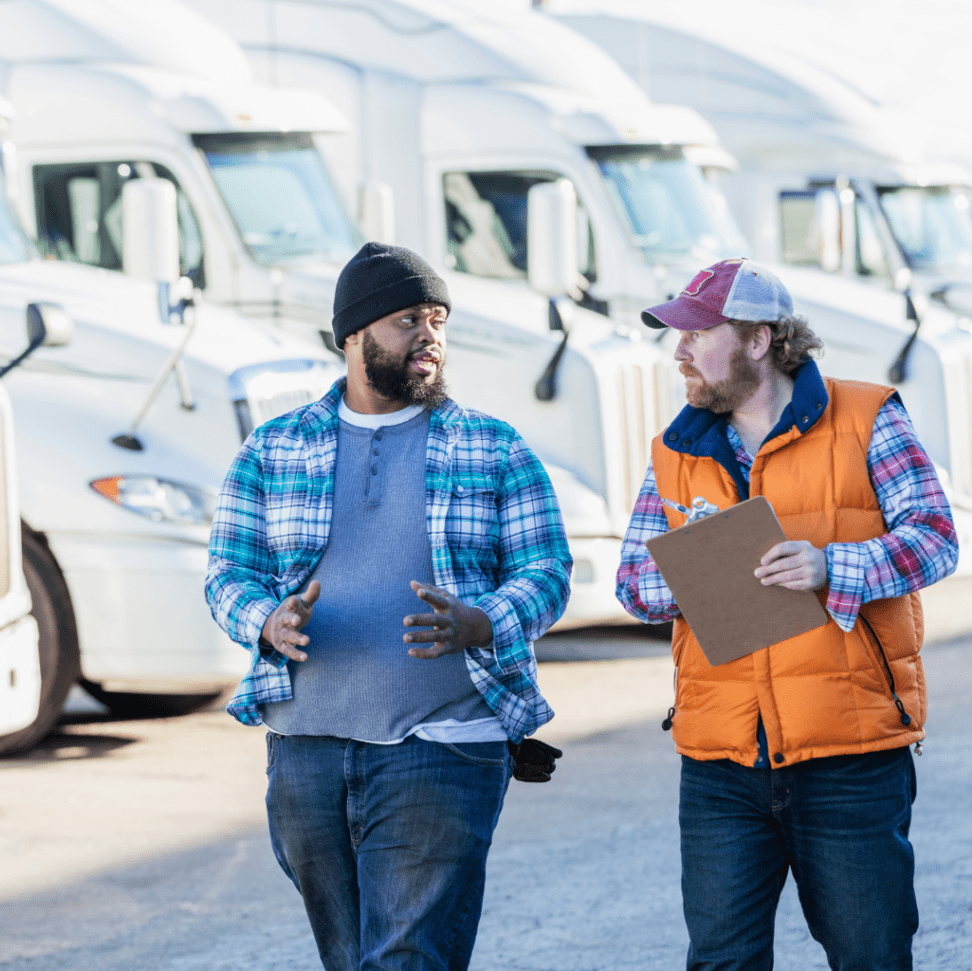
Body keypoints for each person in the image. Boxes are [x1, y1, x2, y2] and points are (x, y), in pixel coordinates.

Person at [205, 242, 571, 971]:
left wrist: (483, 620)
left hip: (442, 746)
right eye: (409, 320)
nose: (429, 335)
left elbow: (546, 569)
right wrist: (266, 620)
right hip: (305, 750)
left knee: (403, 958)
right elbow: (227, 573)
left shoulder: (492, 446)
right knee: (351, 958)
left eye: (438, 320)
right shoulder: (273, 449)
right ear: (354, 335)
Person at [615, 257, 958, 971]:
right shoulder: (674, 449)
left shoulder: (867, 416)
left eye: (696, 333)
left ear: (759, 339)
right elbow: (633, 584)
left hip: (850, 754)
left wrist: (835, 565)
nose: (677, 351)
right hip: (720, 762)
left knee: (872, 956)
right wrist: (692, 571)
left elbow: (935, 538)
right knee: (722, 963)